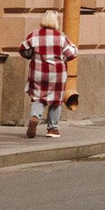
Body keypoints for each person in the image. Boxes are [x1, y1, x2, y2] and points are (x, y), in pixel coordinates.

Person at [19, 9, 77, 138]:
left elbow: (23, 49)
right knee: (56, 101)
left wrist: (31, 55)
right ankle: (52, 129)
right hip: (57, 74)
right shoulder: (61, 37)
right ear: (56, 22)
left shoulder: (34, 35)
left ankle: (34, 117)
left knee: (38, 98)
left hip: (38, 72)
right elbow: (72, 54)